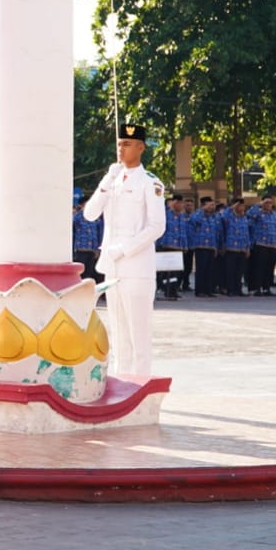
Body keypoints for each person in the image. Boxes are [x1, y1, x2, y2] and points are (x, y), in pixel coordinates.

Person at [82, 123, 166, 377]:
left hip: (136, 266)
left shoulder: (150, 182)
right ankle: (121, 380)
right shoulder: (113, 180)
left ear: (141, 148)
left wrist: (124, 249)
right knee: (118, 332)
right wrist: (107, 180)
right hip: (112, 266)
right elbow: (89, 214)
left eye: (128, 144)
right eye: (119, 144)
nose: (121, 148)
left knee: (138, 331)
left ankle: (140, 383)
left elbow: (156, 226)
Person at [188, 196, 220, 297]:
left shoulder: (213, 217)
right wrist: (202, 210)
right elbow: (194, 221)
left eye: (213, 205)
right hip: (201, 246)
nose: (212, 207)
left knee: (210, 270)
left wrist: (215, 246)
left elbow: (215, 233)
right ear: (203, 205)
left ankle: (208, 290)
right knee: (201, 269)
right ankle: (200, 290)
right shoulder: (197, 214)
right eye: (209, 205)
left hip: (211, 246)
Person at [155, 195, 186, 300]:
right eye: (180, 203)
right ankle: (167, 291)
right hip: (166, 245)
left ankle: (173, 290)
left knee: (176, 272)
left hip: (178, 246)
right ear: (175, 203)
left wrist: (184, 245)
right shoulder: (166, 213)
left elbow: (183, 232)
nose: (182, 206)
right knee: (166, 272)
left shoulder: (181, 216)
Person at [72, 202, 102, 283]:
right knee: (80, 272)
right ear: (82, 206)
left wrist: (98, 249)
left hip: (92, 249)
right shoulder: (78, 217)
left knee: (89, 272)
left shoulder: (95, 218)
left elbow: (97, 233)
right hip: (81, 249)